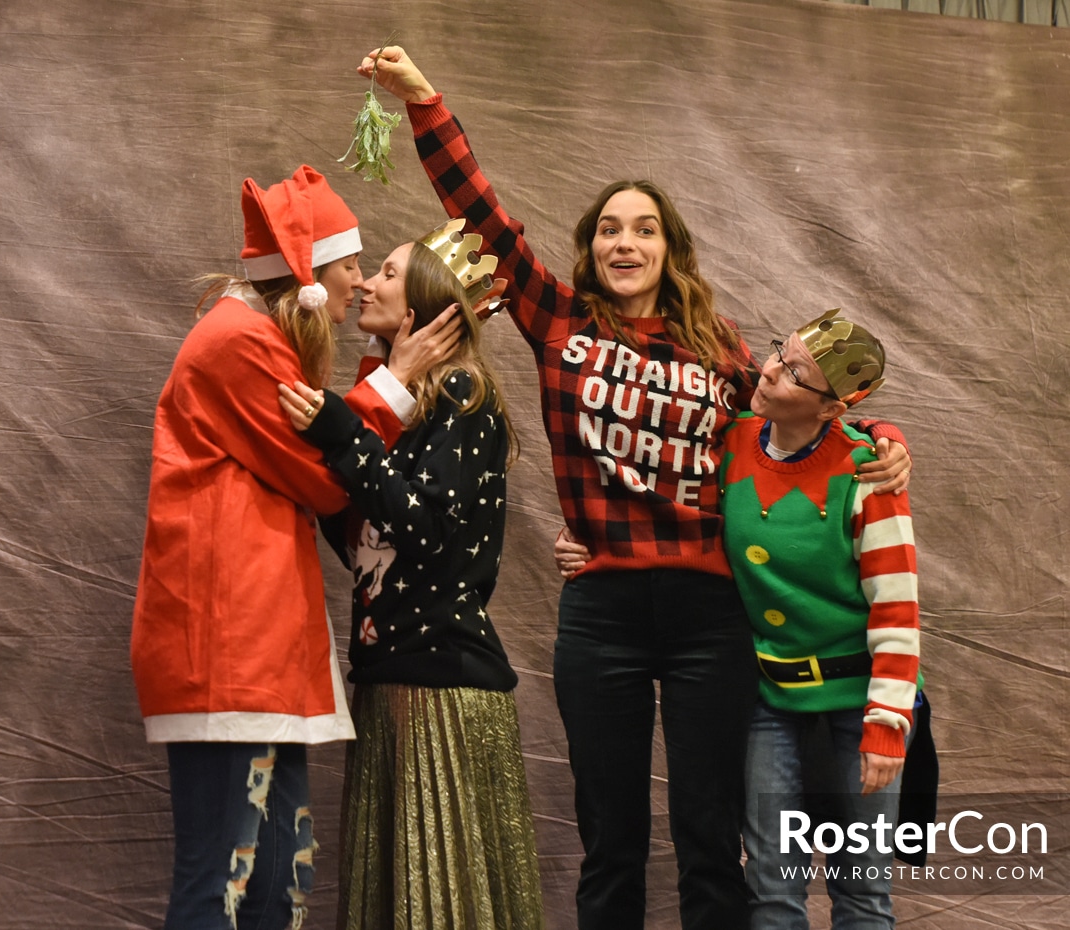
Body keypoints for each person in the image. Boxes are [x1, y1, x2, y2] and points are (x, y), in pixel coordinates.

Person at [358, 47, 913, 930]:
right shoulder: (558, 320)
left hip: (708, 615)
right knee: (608, 834)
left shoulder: (721, 348)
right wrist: (426, 104)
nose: (625, 241)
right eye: (610, 228)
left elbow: (805, 416)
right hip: (602, 609)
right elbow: (483, 218)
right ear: (591, 248)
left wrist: (882, 437)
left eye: (644, 228)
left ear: (670, 248)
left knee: (708, 833)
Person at [129, 165, 459, 930]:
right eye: (353, 267)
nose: (357, 288)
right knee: (228, 886)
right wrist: (399, 377)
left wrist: (384, 378)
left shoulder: (252, 336)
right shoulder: (237, 342)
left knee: (277, 887)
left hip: (259, 649)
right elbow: (325, 476)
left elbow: (325, 444)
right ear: (309, 276)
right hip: (228, 648)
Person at [279, 220, 543, 930]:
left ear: (430, 303)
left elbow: (425, 531)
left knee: (439, 906)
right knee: (398, 898)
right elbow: (367, 542)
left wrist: (344, 433)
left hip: (441, 689)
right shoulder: (409, 404)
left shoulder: (462, 394)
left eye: (388, 273)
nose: (365, 281)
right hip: (390, 675)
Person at [721, 311, 920, 928]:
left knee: (861, 892)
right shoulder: (730, 442)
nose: (771, 368)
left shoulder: (866, 473)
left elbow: (896, 604)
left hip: (857, 699)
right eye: (781, 350)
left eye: (795, 372)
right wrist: (583, 539)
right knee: (771, 884)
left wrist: (887, 723)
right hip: (768, 696)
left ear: (830, 409)